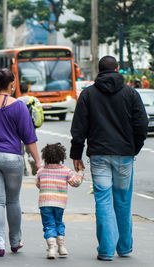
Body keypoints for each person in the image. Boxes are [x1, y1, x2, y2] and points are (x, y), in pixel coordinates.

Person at [70, 56, 148, 261]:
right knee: (123, 201)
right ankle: (124, 247)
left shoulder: (88, 95)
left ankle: (105, 250)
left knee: (103, 201)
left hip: (99, 156)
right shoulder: (131, 93)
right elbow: (142, 124)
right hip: (124, 155)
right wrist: (134, 148)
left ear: (99, 70)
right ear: (118, 69)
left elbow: (78, 127)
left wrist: (76, 154)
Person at [0, 69, 41, 257]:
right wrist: (38, 162)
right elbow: (29, 137)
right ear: (12, 84)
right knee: (13, 200)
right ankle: (15, 241)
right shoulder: (18, 106)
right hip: (12, 157)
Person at [36, 143, 83, 259]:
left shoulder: (41, 171)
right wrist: (80, 174)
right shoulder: (66, 171)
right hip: (60, 204)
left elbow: (38, 184)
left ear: (45, 157)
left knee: (48, 225)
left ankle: (52, 248)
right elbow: (75, 183)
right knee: (58, 222)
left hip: (45, 203)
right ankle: (61, 247)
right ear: (61, 157)